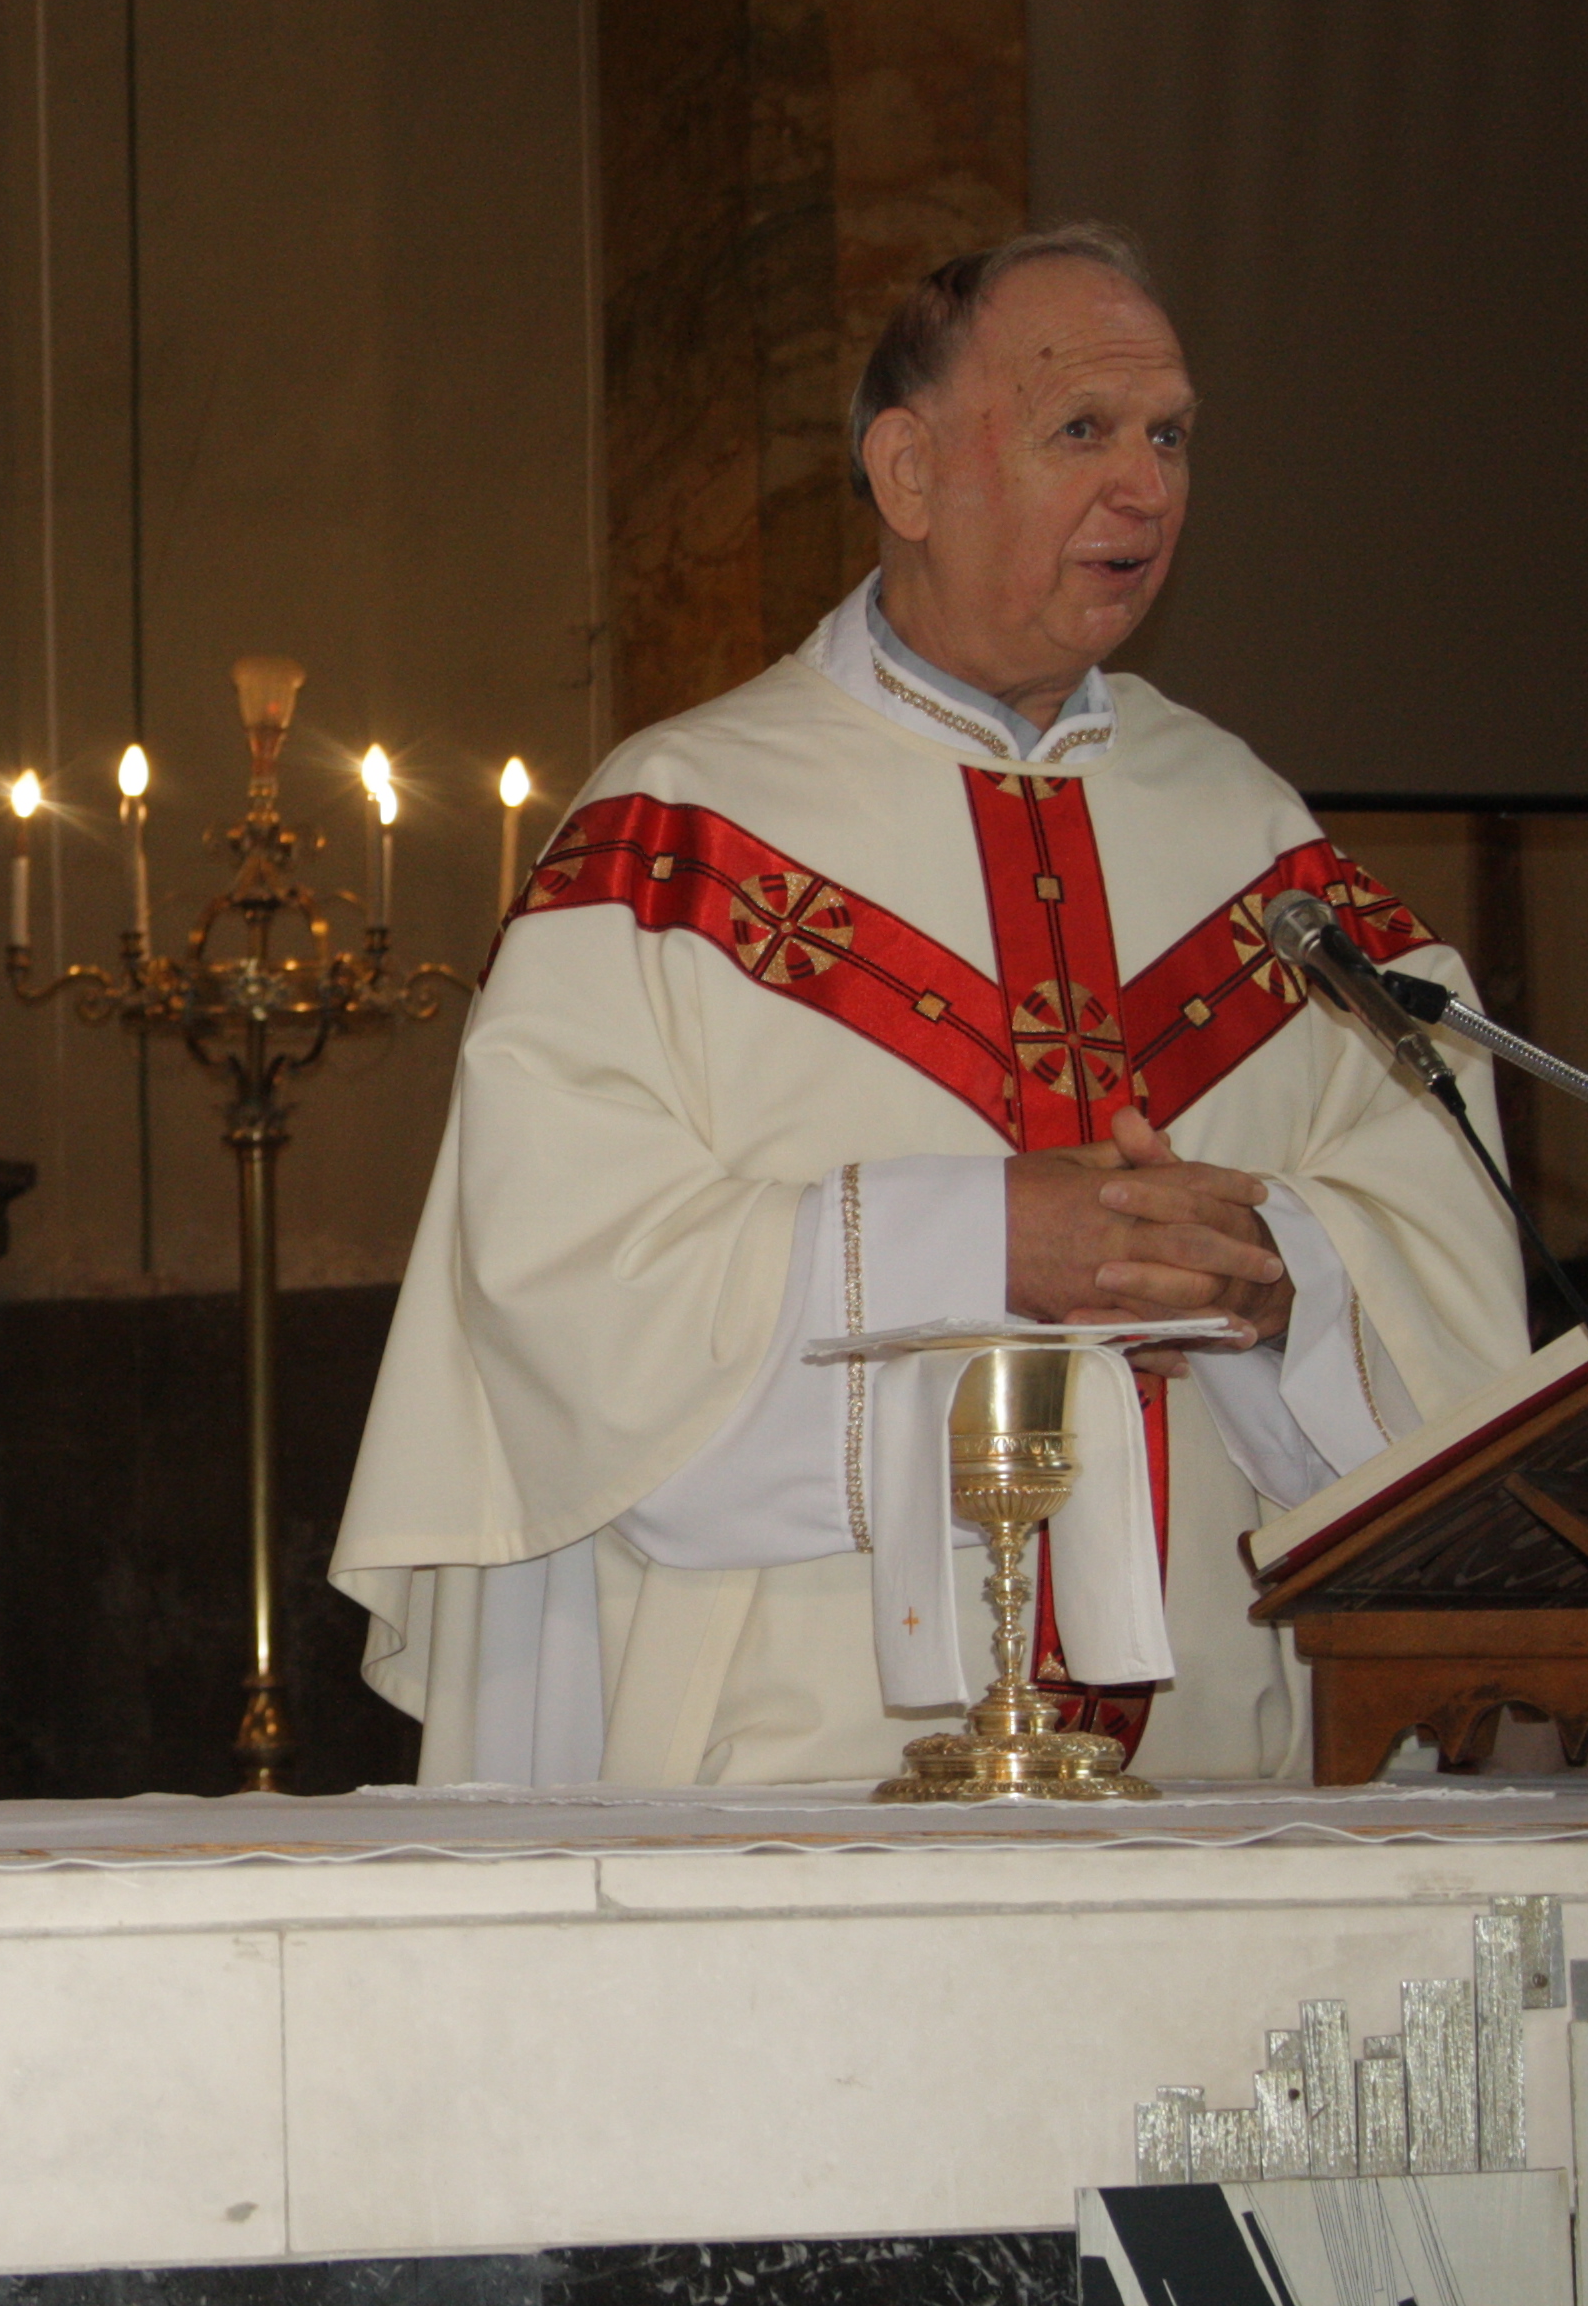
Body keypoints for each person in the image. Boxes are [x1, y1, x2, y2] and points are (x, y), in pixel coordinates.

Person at [332, 225, 1527, 1788]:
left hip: (1217, 1750)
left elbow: (1438, 1204)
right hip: (798, 1754)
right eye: (1083, 430)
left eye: (1170, 437)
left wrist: (1280, 1273)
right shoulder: (674, 830)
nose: (1146, 488)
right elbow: (558, 1286)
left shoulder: (1252, 832)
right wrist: (983, 1243)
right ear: (907, 472)